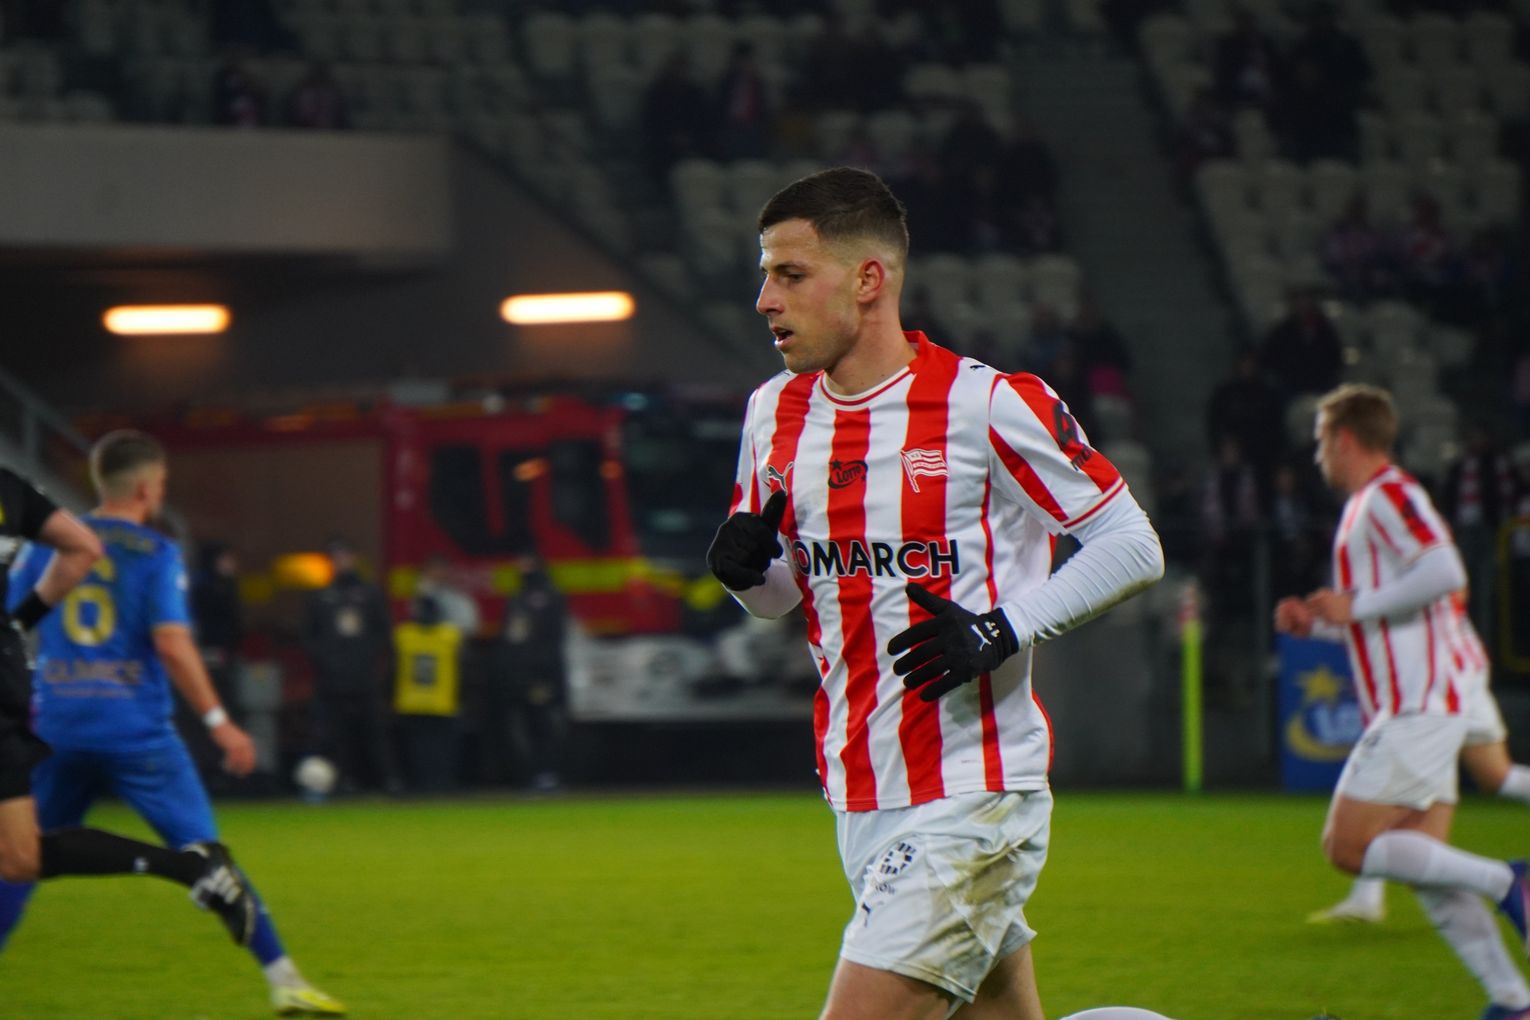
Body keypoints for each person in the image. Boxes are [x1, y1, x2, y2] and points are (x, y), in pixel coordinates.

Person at [710, 167, 1164, 1020]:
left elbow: (1131, 544)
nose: (766, 300)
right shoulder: (774, 413)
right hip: (860, 788)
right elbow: (783, 598)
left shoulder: (985, 404)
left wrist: (1003, 627)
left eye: (791, 274)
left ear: (868, 279)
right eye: (766, 275)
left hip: (973, 792)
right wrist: (747, 578)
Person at [0, 433, 345, 1016]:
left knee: (20, 859)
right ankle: (284, 978)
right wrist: (218, 720)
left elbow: (12, 617)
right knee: (208, 855)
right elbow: (172, 643)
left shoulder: (45, 544)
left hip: (56, 722)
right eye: (160, 484)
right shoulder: (155, 553)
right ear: (145, 488)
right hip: (136, 733)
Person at [1274, 385, 1530, 1020]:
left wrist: (1355, 604)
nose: (1317, 455)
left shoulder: (1390, 493)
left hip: (1418, 703)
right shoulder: (1366, 508)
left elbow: (1446, 572)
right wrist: (1322, 621)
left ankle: (1510, 881)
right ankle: (1512, 999)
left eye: (1320, 441)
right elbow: (1386, 615)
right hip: (1424, 701)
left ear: (1345, 439)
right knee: (1425, 867)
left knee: (1346, 846)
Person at [0, 466, 254, 948]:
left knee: (19, 855)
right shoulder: (10, 487)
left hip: (55, 701)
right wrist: (16, 624)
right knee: (19, 857)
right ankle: (191, 867)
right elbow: (83, 549)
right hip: (9, 678)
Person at [1311, 592, 1530, 925]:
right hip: (1453, 678)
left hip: (1440, 688)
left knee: (1402, 832)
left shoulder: (1414, 576)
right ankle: (1367, 897)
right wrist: (1319, 624)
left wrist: (1332, 618)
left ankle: (1505, 881)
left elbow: (1433, 593)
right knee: (1488, 779)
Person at [303, 535, 398, 795]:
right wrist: (326, 660)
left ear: (353, 559)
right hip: (332, 679)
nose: (341, 562)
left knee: (374, 730)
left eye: (344, 556)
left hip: (364, 676)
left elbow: (383, 632)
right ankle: (344, 780)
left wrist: (368, 657)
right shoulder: (321, 597)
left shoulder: (369, 593)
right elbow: (310, 636)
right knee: (336, 734)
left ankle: (386, 778)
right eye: (336, 558)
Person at [502, 553, 568, 792]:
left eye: (526, 563)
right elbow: (512, 638)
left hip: (542, 675)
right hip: (521, 674)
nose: (522, 568)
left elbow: (553, 640)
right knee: (525, 726)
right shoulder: (518, 597)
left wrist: (545, 675)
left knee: (544, 724)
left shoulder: (549, 596)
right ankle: (530, 774)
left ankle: (547, 773)